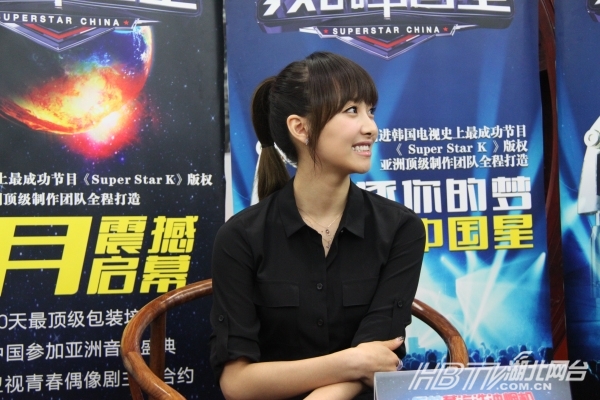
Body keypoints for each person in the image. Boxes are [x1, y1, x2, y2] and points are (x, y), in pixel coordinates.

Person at [209, 52, 425, 400]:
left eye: (370, 111)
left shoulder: (401, 228)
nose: (371, 127)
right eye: (351, 110)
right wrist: (350, 362)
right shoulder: (240, 237)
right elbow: (237, 382)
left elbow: (377, 357)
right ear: (301, 128)